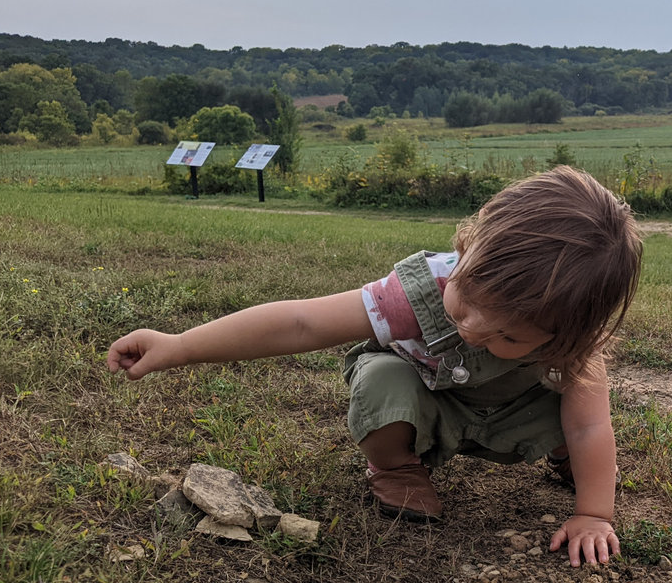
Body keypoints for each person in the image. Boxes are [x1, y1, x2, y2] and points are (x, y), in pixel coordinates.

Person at [106, 166, 643, 567]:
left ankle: (570, 465)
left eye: (507, 334)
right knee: (382, 378)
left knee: (576, 417)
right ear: (469, 246)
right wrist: (179, 345)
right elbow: (301, 323)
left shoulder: (574, 341)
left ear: (567, 333)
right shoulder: (417, 292)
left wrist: (594, 514)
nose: (473, 327)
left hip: (512, 414)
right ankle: (396, 468)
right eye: (466, 297)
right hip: (431, 404)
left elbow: (590, 424)